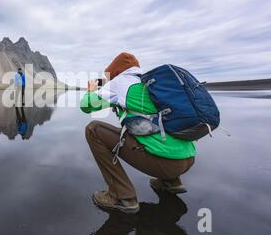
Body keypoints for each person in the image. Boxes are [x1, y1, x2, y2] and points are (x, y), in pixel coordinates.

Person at [81, 52, 196, 214]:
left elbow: (86, 106)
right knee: (155, 127)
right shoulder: (150, 84)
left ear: (115, 72)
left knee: (93, 129)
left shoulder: (120, 84)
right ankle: (172, 183)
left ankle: (122, 197)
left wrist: (91, 90)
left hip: (164, 164)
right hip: (188, 159)